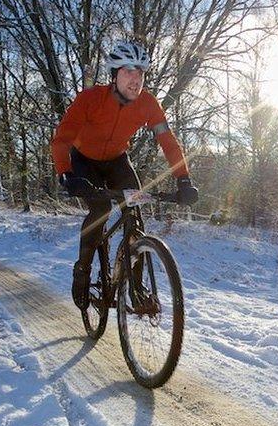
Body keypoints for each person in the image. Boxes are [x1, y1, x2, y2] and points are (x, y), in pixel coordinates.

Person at [50, 41, 199, 309]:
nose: (136, 79)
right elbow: (61, 140)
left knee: (136, 212)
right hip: (85, 162)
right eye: (129, 71)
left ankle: (136, 287)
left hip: (118, 161)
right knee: (100, 211)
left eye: (140, 73)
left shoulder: (148, 103)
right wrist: (66, 174)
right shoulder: (90, 99)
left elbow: (168, 141)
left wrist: (183, 179)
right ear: (114, 74)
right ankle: (82, 270)